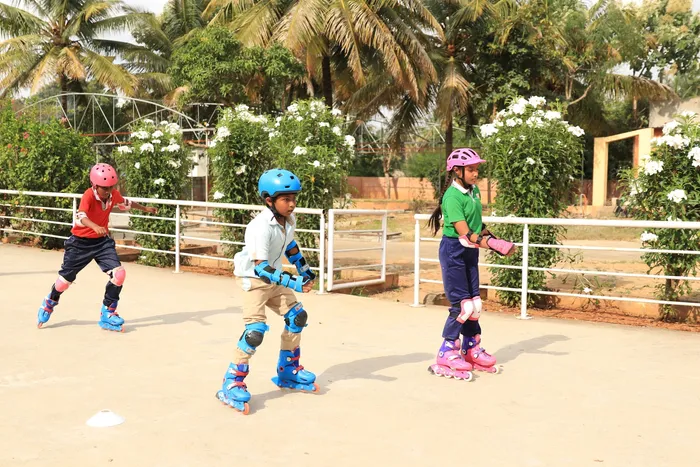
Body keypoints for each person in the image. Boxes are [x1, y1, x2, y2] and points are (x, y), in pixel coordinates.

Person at [216, 168, 319, 415]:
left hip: (275, 277)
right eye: (286, 199)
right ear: (269, 200)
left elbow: (289, 246)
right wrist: (294, 282)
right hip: (254, 280)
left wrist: (304, 268)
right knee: (255, 332)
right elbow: (261, 268)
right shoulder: (259, 227)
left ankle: (288, 370)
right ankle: (232, 381)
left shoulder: (287, 221)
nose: (292, 204)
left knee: (297, 317)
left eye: (294, 198)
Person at [426, 148, 516, 380]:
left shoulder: (473, 191)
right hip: (454, 251)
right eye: (471, 169)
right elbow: (465, 234)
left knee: (475, 304)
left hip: (469, 253)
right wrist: (492, 245)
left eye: (477, 169)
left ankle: (471, 348)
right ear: (457, 171)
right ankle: (447, 351)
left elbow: (477, 226)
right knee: (462, 306)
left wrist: (496, 240)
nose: (476, 174)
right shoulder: (452, 197)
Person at [36, 163, 158, 332]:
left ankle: (108, 312)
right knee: (64, 282)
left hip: (102, 242)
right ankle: (50, 300)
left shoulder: (113, 195)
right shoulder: (88, 195)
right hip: (80, 243)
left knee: (119, 274)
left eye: (111, 187)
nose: (108, 192)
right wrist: (94, 226)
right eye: (104, 188)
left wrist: (145, 208)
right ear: (95, 185)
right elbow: (81, 216)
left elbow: (126, 202)